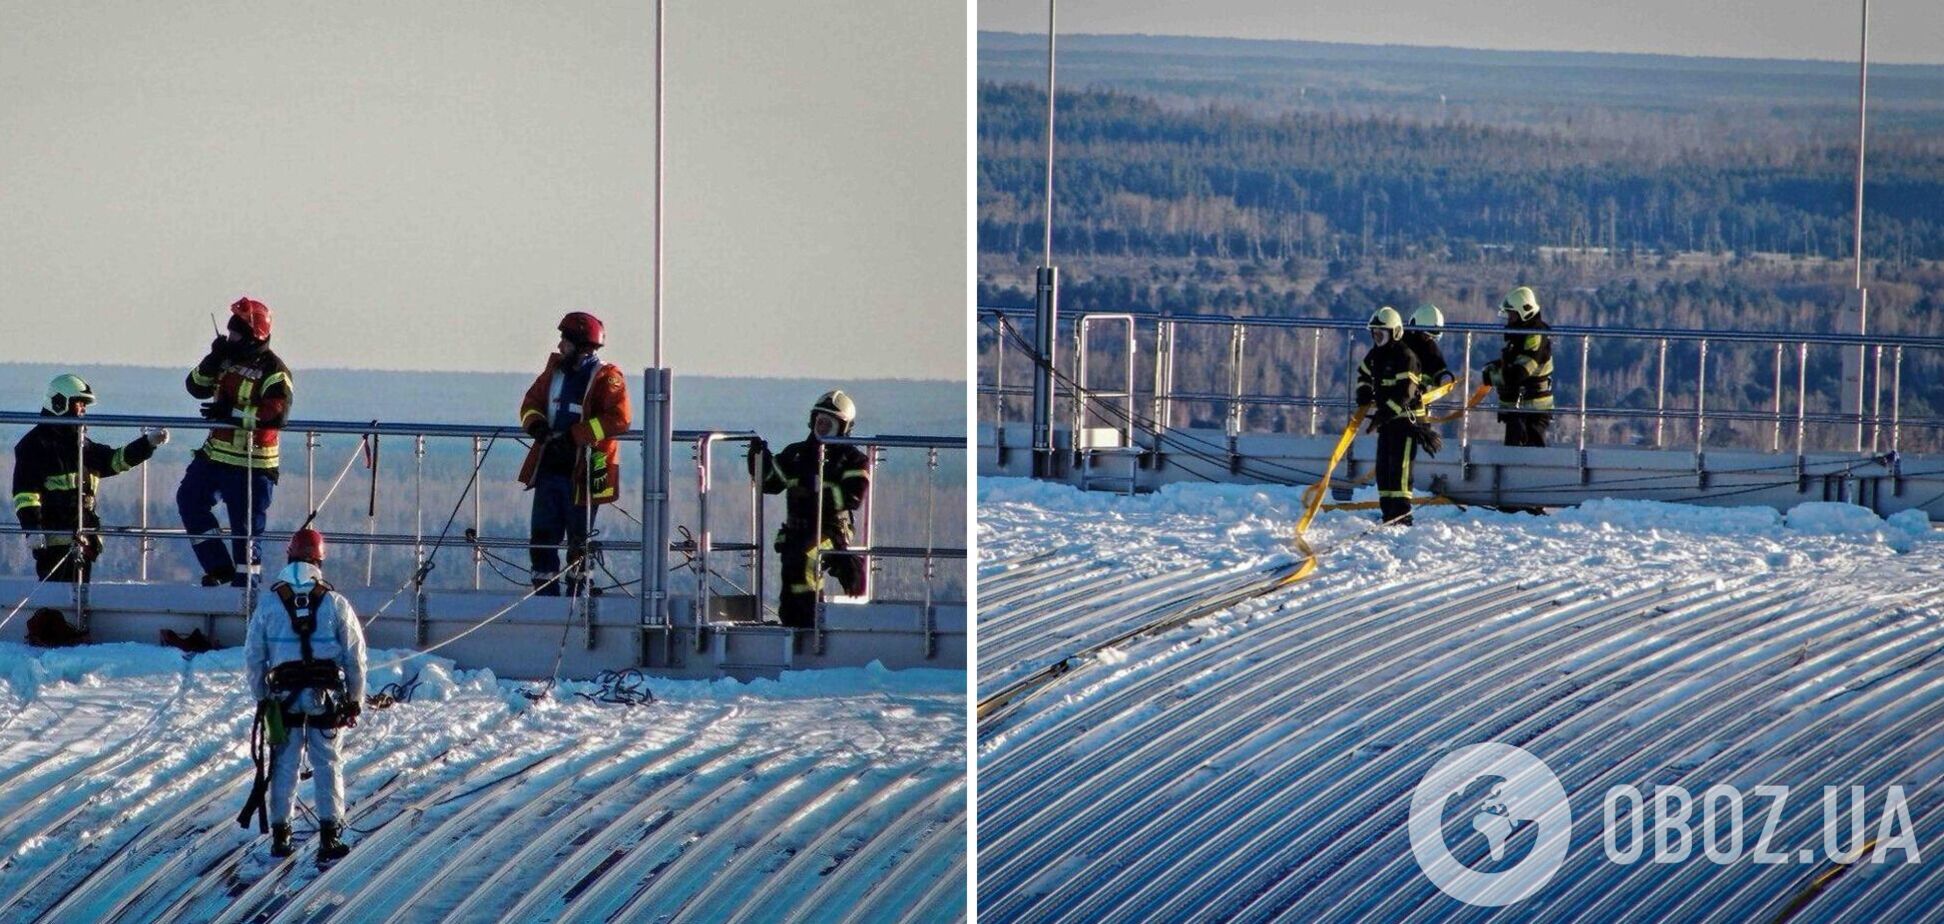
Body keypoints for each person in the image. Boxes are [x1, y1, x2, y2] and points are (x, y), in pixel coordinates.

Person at [242, 527, 366, 865]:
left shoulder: (269, 604)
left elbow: (254, 656)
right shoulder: (336, 603)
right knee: (328, 762)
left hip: (283, 698)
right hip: (325, 697)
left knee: (284, 763)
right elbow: (356, 656)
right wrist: (355, 699)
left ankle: (281, 836)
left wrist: (263, 696)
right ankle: (330, 835)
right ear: (319, 561)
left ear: (289, 557)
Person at [179, 297, 294, 586]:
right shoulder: (226, 360)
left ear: (254, 336)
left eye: (236, 334)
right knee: (190, 501)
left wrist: (231, 413)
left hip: (252, 464)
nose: (230, 338)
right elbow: (195, 387)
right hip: (215, 455)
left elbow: (276, 414)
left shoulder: (274, 371)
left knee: (245, 533)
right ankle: (219, 568)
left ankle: (246, 594)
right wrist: (213, 357)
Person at [517, 312, 631, 596]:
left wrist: (575, 436)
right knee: (543, 536)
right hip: (550, 467)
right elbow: (530, 404)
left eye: (565, 340)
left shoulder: (607, 377)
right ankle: (544, 595)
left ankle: (579, 597)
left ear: (581, 345)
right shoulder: (553, 372)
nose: (559, 346)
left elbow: (619, 418)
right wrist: (538, 427)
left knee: (580, 541)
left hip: (588, 470)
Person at [12, 374, 168, 582]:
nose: (83, 410)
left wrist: (147, 443)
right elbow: (25, 495)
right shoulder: (34, 446)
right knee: (56, 603)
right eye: (79, 403)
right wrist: (33, 530)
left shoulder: (82, 445)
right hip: (54, 544)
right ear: (60, 403)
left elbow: (114, 461)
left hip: (85, 542)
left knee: (78, 602)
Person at [748, 391, 870, 629]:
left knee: (807, 558)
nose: (822, 426)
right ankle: (792, 621)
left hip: (832, 531)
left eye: (829, 422)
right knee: (791, 568)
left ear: (843, 427)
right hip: (797, 531)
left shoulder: (853, 459)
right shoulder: (796, 454)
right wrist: (758, 458)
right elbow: (771, 483)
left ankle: (810, 623)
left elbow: (853, 498)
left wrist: (815, 487)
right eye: (819, 420)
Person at [1355, 307, 1424, 526]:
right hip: (1386, 420)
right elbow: (1363, 373)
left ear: (1394, 333)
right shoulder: (1376, 354)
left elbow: (1406, 392)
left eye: (1380, 334)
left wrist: (1383, 415)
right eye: (1374, 334)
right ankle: (1387, 512)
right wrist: (1363, 390)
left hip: (1406, 420)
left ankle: (1402, 514)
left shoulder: (1405, 356)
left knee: (1400, 468)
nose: (1377, 339)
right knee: (1384, 467)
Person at [1482, 286, 1554, 448]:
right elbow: (1515, 362)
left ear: (1524, 312)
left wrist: (1492, 377)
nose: (1509, 319)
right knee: (1514, 457)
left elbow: (1520, 372)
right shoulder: (1522, 336)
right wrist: (1497, 366)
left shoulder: (1535, 335)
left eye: (1512, 314)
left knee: (1531, 460)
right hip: (1519, 409)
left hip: (1532, 410)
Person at [1403, 303, 1457, 396]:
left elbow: (1436, 366)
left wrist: (1442, 377)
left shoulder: (1429, 347)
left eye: (1432, 337)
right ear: (1416, 329)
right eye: (1426, 336)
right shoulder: (1400, 344)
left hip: (1416, 397)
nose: (1428, 339)